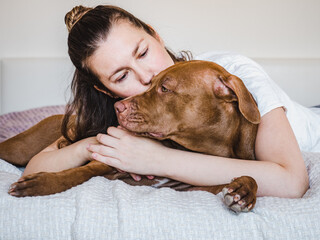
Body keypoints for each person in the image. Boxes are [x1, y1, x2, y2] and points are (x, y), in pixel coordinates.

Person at [21, 5, 320, 198]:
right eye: (122, 76)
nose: (146, 76)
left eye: (142, 52)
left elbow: (291, 182)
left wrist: (156, 159)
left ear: (156, 36)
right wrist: (102, 146)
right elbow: (36, 169)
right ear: (106, 91)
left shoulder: (232, 73)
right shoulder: (136, 112)